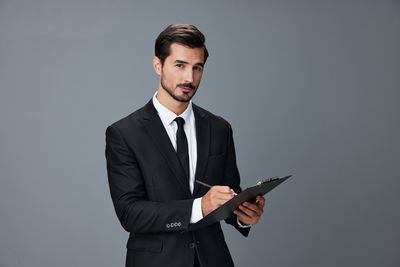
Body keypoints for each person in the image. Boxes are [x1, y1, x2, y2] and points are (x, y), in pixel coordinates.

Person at [105, 24, 265, 267]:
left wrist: (243, 215)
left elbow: (227, 194)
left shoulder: (219, 128)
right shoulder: (124, 133)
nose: (189, 78)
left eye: (197, 68)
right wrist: (200, 206)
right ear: (158, 65)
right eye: (180, 65)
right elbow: (130, 213)